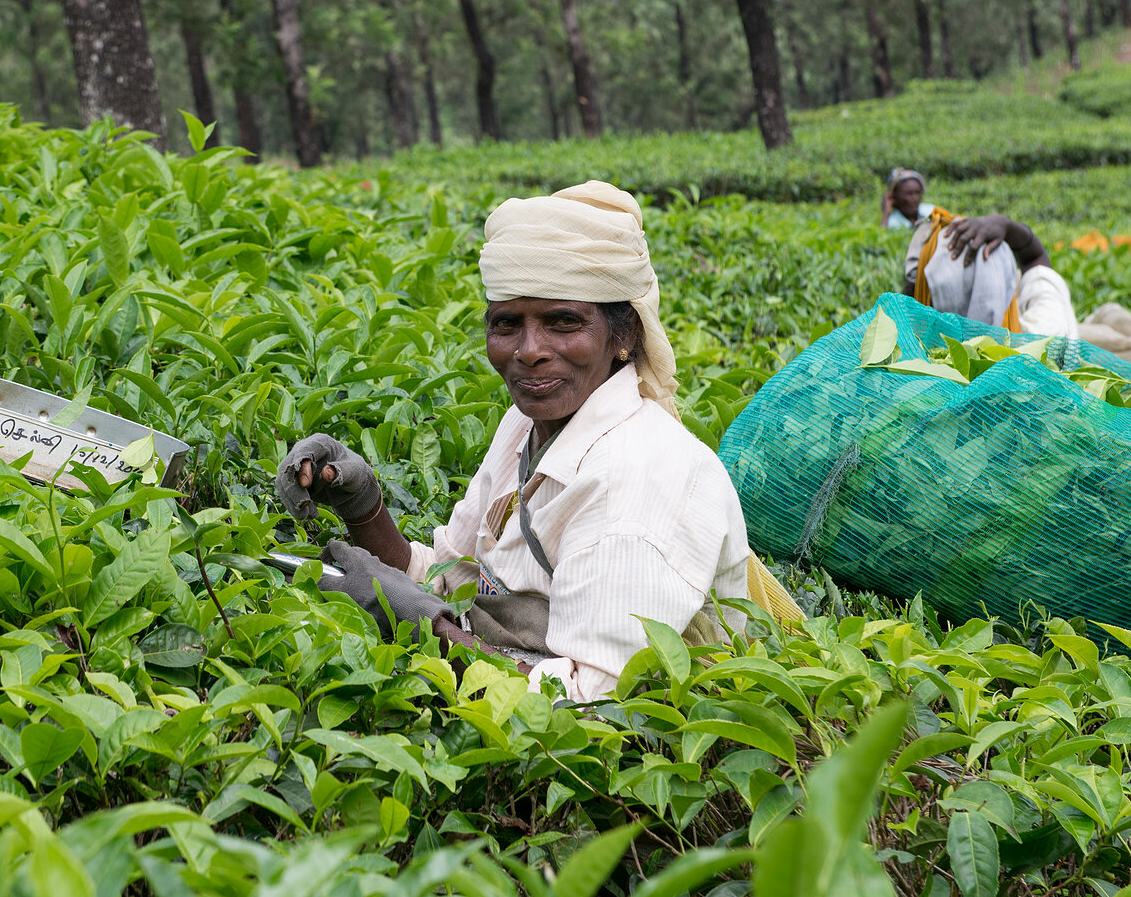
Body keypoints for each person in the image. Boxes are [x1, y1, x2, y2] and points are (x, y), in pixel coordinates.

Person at [274, 181, 770, 704]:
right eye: (507, 324)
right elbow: (450, 578)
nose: (529, 351)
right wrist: (366, 509)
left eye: (563, 322)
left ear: (624, 337)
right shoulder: (525, 424)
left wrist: (427, 631)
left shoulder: (637, 480)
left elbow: (596, 706)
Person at [903, 210, 1080, 339]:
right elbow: (1035, 260)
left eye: (916, 278)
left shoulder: (898, 365)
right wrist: (1007, 226)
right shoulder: (1047, 340)